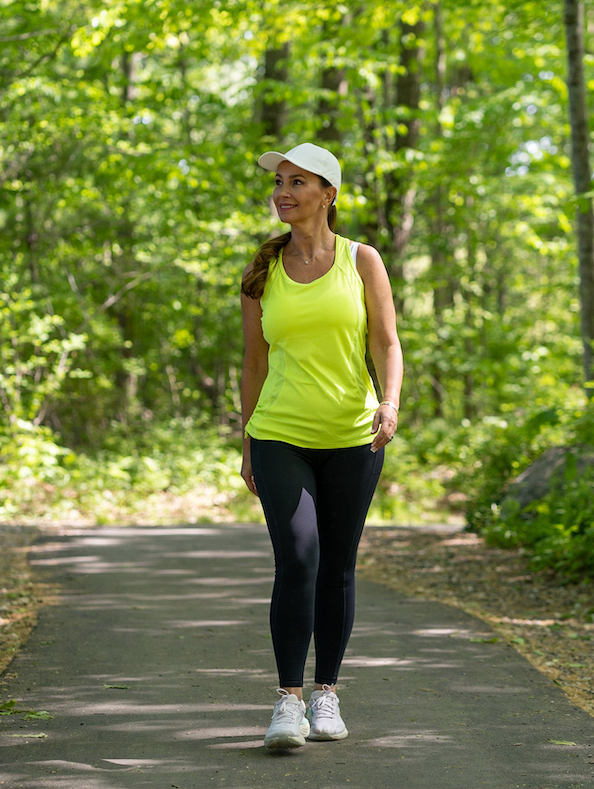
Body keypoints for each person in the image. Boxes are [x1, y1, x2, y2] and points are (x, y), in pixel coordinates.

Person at [240, 142, 403, 750]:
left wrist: (389, 404)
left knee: (337, 565)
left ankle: (326, 694)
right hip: (279, 433)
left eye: (297, 182)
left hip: (353, 435)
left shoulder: (362, 260)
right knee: (299, 559)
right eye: (279, 182)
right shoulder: (262, 267)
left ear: (328, 193)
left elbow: (387, 342)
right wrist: (248, 438)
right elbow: (253, 363)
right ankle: (287, 701)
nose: (282, 192)